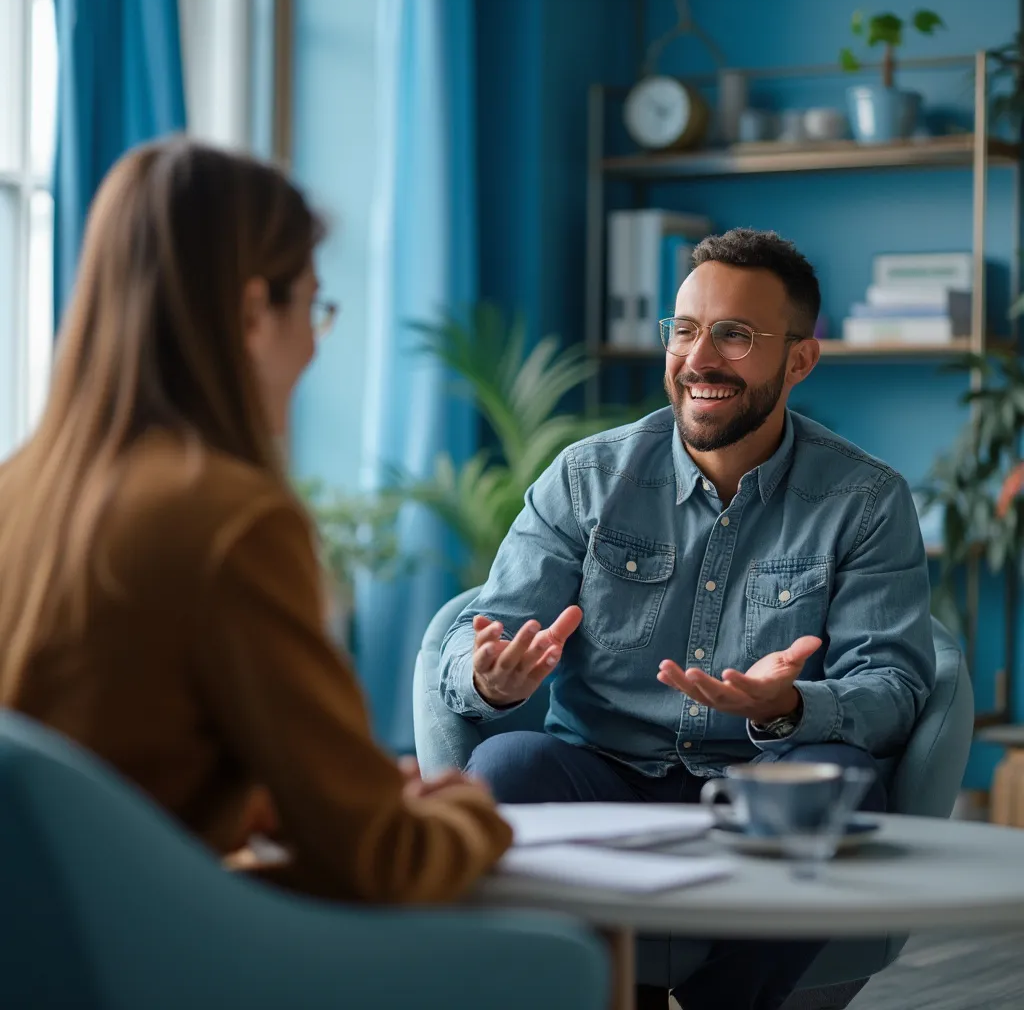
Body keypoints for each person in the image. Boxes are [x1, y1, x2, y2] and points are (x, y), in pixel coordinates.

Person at [0, 138, 511, 903]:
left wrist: (286, 800)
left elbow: (122, 766)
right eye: (312, 305)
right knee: (559, 956)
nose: (312, 340)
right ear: (250, 312)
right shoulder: (230, 524)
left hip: (47, 952)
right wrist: (476, 808)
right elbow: (387, 862)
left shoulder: (21, 489)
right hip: (151, 957)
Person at [438, 228, 936, 1009]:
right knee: (505, 769)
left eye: (735, 335)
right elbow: (487, 636)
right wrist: (490, 680)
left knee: (846, 781)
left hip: (757, 783)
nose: (699, 359)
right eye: (685, 329)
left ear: (799, 359)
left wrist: (792, 707)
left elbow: (896, 684)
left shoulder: (865, 502)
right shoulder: (586, 479)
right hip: (604, 775)